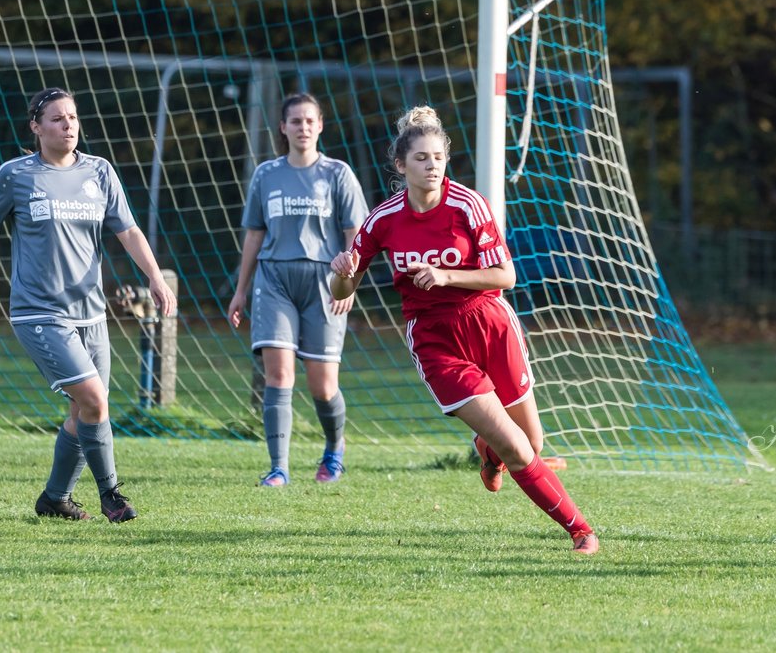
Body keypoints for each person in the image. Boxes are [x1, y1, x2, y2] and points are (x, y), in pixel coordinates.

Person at [329, 106, 598, 554]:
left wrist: (447, 275)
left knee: (532, 441)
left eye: (438, 157)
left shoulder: (468, 205)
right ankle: (580, 530)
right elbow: (344, 286)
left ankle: (487, 453)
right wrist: (341, 270)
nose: (432, 165)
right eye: (421, 158)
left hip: (489, 324)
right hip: (435, 340)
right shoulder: (382, 220)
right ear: (401, 165)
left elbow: (505, 277)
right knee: (517, 447)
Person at [0, 87, 175, 522]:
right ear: (36, 127)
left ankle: (54, 499)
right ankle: (112, 495)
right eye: (57, 119)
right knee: (95, 401)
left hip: (92, 312)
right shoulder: (16, 175)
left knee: (82, 411)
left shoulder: (99, 172)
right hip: (40, 312)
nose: (68, 125)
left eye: (73, 118)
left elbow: (129, 231)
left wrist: (155, 276)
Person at [228, 93, 368, 486]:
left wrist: (350, 283)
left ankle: (334, 448)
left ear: (320, 126)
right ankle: (278, 468)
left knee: (322, 386)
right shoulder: (266, 175)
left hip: (324, 283)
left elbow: (355, 232)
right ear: (283, 128)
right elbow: (254, 233)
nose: (303, 128)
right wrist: (241, 290)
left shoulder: (337, 173)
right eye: (295, 121)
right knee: (279, 375)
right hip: (274, 280)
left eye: (310, 121)